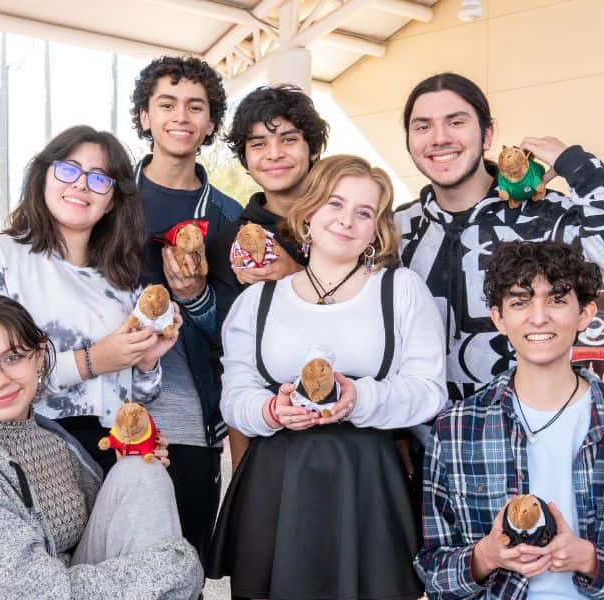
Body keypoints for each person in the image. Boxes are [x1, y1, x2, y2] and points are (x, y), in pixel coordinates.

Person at [207, 155, 448, 600]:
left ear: (377, 229)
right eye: (335, 204)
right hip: (276, 482)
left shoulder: (401, 289)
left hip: (367, 480)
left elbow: (429, 392)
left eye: (364, 212)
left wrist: (360, 398)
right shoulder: (256, 300)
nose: (346, 220)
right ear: (309, 211)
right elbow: (234, 397)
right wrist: (270, 410)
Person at [415, 241, 604, 599]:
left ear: (585, 313)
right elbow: (433, 575)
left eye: (557, 300)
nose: (538, 317)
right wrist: (484, 556)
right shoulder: (456, 429)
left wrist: (591, 560)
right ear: (499, 318)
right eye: (520, 302)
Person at [0, 294, 202, 599]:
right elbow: (35, 592)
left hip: (66, 586)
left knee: (141, 471)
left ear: (38, 357)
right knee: (168, 570)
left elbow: (108, 534)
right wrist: (166, 571)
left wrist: (130, 468)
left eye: (12, 357)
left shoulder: (54, 441)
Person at [395, 72, 604, 403]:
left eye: (456, 122)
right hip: (418, 442)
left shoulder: (545, 214)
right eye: (422, 126)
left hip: (522, 435)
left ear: (488, 134)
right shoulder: (397, 226)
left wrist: (582, 170)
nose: (439, 138)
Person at [0, 125, 180, 475]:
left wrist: (147, 362)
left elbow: (140, 396)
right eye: (68, 169)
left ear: (112, 202)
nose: (80, 185)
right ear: (44, 175)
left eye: (99, 178)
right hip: (25, 450)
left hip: (113, 453)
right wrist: (95, 359)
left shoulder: (121, 280)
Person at [131, 55, 241, 566]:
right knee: (103, 562)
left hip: (187, 414)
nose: (181, 116)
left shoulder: (227, 218)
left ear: (211, 123)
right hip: (102, 404)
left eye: (196, 107)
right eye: (167, 103)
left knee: (182, 565)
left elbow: (239, 334)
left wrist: (196, 297)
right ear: (144, 116)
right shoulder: (103, 200)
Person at [207, 83, 330, 469]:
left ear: (312, 147)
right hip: (274, 436)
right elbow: (235, 367)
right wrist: (242, 474)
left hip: (353, 425)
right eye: (258, 144)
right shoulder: (230, 243)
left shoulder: (349, 222)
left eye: (288, 139)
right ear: (244, 158)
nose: (274, 154)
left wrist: (297, 277)